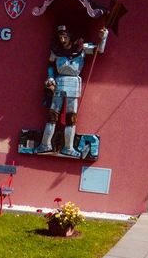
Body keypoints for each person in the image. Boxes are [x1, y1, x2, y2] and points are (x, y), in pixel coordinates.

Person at [35, 25, 100, 158]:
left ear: (71, 37)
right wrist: (51, 77)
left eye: (65, 37)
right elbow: (51, 65)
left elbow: (99, 50)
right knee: (52, 115)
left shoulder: (82, 48)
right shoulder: (56, 50)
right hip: (58, 82)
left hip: (73, 83)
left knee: (71, 117)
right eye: (61, 37)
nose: (63, 40)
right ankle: (45, 144)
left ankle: (68, 147)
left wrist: (103, 38)